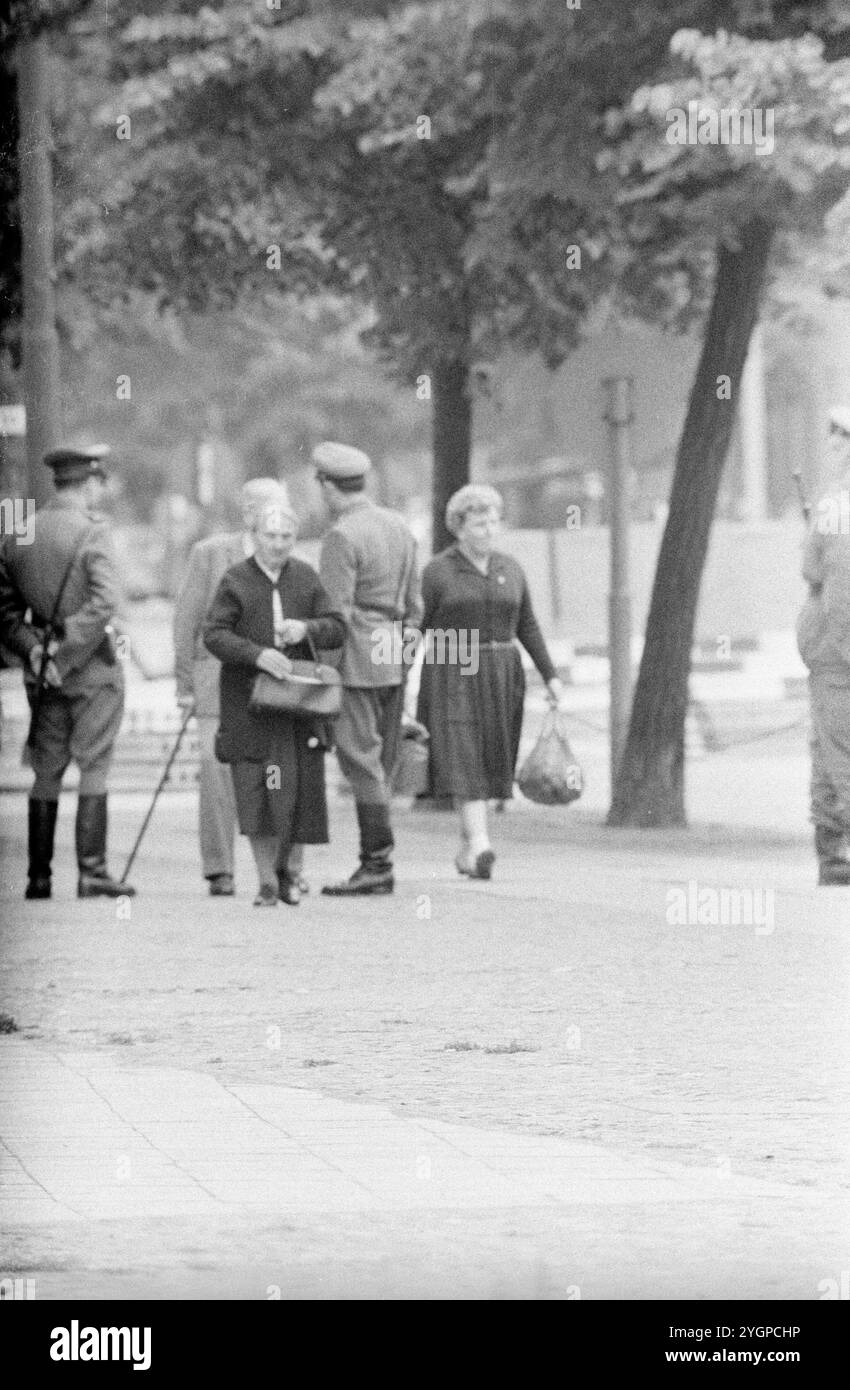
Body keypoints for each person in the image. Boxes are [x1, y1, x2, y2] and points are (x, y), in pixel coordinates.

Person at [0, 446, 134, 899]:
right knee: (94, 765)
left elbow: (4, 608)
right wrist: (65, 654)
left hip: (40, 674)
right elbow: (103, 603)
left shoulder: (20, 532)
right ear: (88, 483)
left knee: (46, 770)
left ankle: (39, 877)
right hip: (91, 669)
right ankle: (92, 872)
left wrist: (36, 652)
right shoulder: (93, 533)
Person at [416, 484, 567, 879]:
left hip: (502, 670)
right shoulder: (436, 572)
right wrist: (395, 675)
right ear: (458, 527)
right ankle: (483, 845)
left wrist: (550, 674)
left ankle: (469, 850)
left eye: (493, 521)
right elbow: (415, 628)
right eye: (479, 522)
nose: (488, 529)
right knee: (464, 756)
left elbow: (527, 624)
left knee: (489, 757)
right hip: (455, 665)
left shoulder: (510, 568)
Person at [203, 501, 344, 906]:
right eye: (270, 536)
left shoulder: (306, 577)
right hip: (251, 707)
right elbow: (214, 634)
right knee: (261, 790)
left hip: (299, 708)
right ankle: (266, 879)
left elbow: (337, 627)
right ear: (254, 537)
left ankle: (291, 873)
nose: (278, 545)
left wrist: (307, 627)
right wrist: (256, 654)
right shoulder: (236, 579)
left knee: (296, 789)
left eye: (286, 537)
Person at [174, 477, 309, 897]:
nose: (280, 522)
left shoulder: (291, 558)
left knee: (284, 773)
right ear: (249, 514)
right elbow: (187, 620)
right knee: (219, 775)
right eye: (271, 510)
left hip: (278, 685)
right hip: (217, 679)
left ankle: (288, 870)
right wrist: (184, 685)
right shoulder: (210, 553)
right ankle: (220, 869)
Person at [314, 441, 422, 896]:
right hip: (392, 652)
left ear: (326, 486)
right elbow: (416, 607)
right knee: (380, 761)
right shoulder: (400, 527)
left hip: (357, 656)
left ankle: (376, 864)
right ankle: (378, 862)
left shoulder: (341, 536)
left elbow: (335, 616)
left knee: (361, 762)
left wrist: (326, 673)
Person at [796, 404, 850, 885]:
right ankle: (834, 857)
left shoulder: (835, 505)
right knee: (831, 749)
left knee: (835, 752)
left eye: (840, 438)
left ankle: (834, 855)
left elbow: (817, 575)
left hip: (837, 652)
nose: (832, 447)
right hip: (834, 651)